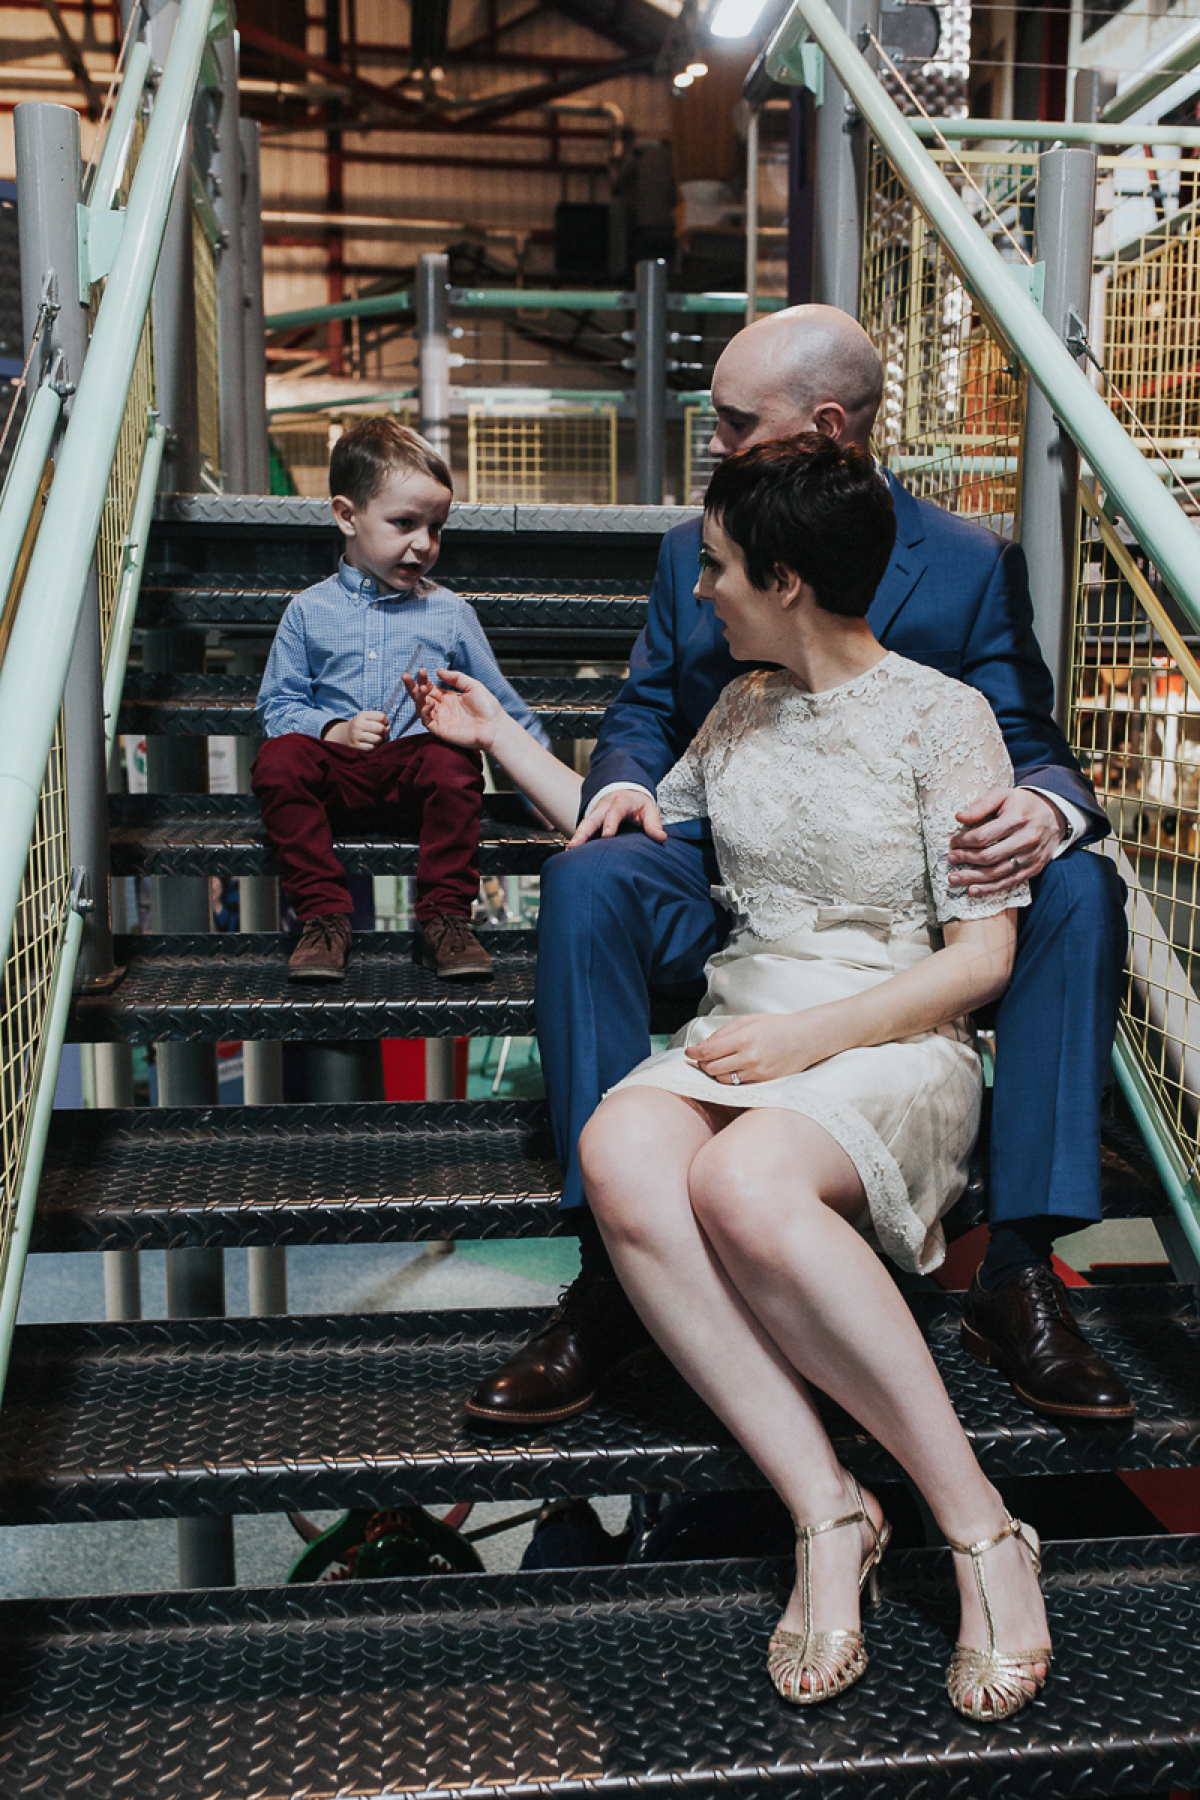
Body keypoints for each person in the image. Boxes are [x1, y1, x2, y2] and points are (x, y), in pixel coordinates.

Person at [408, 434, 1053, 1722]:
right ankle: (826, 1506)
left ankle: (981, 1526)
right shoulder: (743, 706)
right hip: (746, 1016)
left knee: (749, 1181)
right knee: (619, 1149)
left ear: (788, 579)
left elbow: (982, 959)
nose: (699, 592)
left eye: (716, 569)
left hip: (889, 1037)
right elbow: (624, 817)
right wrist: (497, 738)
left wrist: (811, 1044)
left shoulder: (948, 717)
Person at [466, 304, 1131, 1432]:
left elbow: (1032, 745)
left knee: (1077, 886)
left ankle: (1016, 1269)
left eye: (731, 424)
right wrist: (622, 778)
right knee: (586, 876)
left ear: (821, 424)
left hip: (916, 891)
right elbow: (640, 709)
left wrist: (1048, 808)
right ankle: (613, 1274)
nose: (712, 450)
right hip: (728, 867)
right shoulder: (696, 550)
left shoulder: (970, 568)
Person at [252, 418, 550, 982]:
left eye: (436, 527)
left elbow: (502, 707)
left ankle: (445, 917)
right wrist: (331, 730)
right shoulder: (308, 611)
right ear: (347, 516)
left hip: (413, 775)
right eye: (404, 523)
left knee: (456, 762)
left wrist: (542, 787)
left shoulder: (450, 612)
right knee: (277, 761)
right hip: (334, 776)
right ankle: (323, 918)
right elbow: (278, 705)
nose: (424, 544)